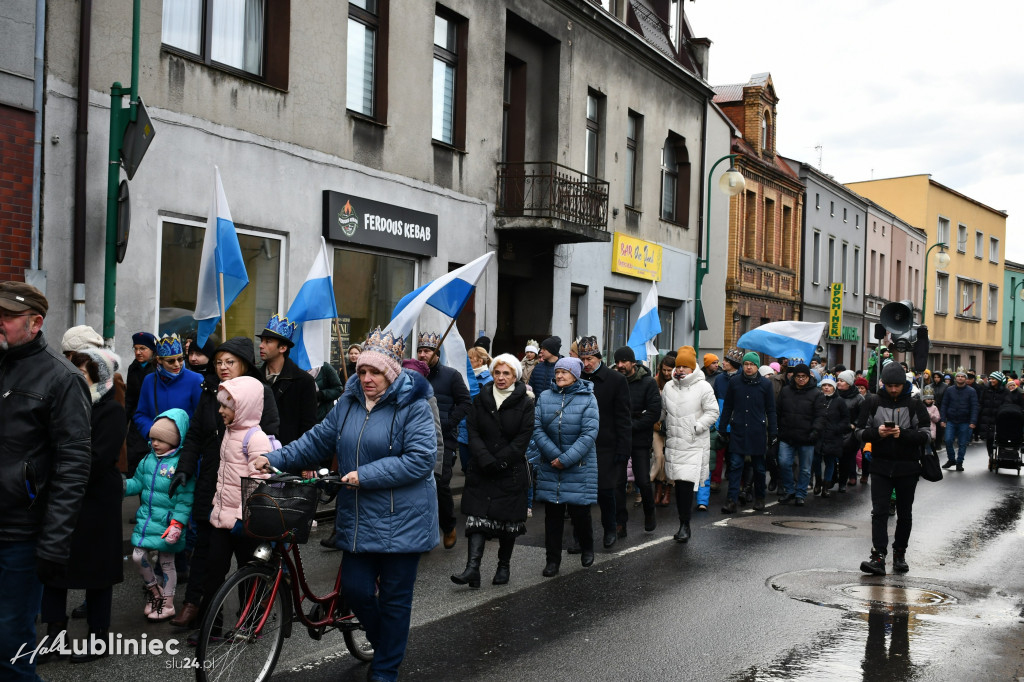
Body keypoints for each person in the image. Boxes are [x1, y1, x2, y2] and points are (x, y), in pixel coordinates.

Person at [255, 328, 438, 682]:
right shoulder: (349, 403)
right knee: (355, 589)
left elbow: (420, 460)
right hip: (360, 517)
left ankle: (384, 671)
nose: (367, 378)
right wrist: (275, 458)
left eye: (376, 372)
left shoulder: (413, 406)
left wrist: (364, 474)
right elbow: (317, 441)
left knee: (395, 600)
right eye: (363, 371)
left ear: (392, 373)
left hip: (404, 518)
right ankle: (385, 643)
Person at [0, 282, 91, 682]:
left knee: (9, 644)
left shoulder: (62, 378)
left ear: (35, 323)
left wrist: (54, 545)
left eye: (5, 317)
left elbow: (73, 467)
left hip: (20, 534)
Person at [167, 337, 280, 630]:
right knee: (207, 556)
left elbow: (266, 443)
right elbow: (194, 435)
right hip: (213, 482)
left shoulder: (260, 393)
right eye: (219, 362)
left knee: (249, 558)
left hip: (246, 489)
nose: (223, 367)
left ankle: (251, 616)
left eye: (230, 362)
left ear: (243, 363)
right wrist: (185, 469)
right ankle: (206, 619)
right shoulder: (209, 390)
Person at [38, 349, 125, 665]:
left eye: (82, 374)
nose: (75, 379)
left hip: (97, 498)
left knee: (97, 570)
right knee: (54, 564)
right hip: (63, 495)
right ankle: (54, 636)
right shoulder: (62, 405)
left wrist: (64, 473)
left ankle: (98, 637)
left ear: (99, 378)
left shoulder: (111, 411)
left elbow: (101, 458)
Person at [193, 376, 273, 637]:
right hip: (221, 517)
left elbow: (259, 481)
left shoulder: (256, 437)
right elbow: (223, 475)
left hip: (244, 521)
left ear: (243, 407)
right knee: (212, 571)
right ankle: (210, 628)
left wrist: (242, 516)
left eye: (227, 407)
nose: (220, 411)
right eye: (221, 406)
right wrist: (216, 508)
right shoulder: (227, 432)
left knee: (247, 573)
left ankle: (250, 623)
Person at [452, 354, 534, 588]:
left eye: (506, 373)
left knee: (507, 523)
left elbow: (523, 438)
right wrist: (485, 459)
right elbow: (473, 430)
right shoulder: (481, 399)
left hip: (510, 470)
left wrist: (502, 461)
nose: (500, 377)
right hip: (482, 468)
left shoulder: (525, 403)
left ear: (515, 376)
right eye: (497, 372)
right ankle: (472, 569)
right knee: (477, 519)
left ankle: (503, 565)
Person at [855, 361, 931, 575]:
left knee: (904, 514)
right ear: (883, 384)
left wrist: (902, 434)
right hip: (880, 466)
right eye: (890, 385)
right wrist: (877, 433)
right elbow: (859, 432)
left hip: (908, 467)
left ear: (903, 384)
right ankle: (878, 556)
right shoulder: (872, 402)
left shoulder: (915, 405)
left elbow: (926, 435)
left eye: (897, 385)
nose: (894, 389)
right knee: (879, 512)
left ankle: (900, 553)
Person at [529, 357, 599, 576]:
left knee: (580, 512)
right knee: (553, 516)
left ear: (576, 375)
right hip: (551, 464)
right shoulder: (545, 397)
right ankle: (552, 561)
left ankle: (587, 547)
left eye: (565, 372)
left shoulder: (588, 399)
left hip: (578, 464)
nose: (559, 375)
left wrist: (566, 459)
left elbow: (589, 434)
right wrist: (554, 456)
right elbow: (537, 427)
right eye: (557, 372)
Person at [124, 409, 195, 622]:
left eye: (161, 439)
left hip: (168, 525)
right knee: (138, 555)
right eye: (153, 438)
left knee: (167, 564)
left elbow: (185, 499)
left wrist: (178, 523)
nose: (155, 443)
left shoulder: (181, 465)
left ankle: (168, 602)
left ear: (175, 440)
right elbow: (137, 482)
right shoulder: (148, 460)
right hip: (147, 521)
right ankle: (155, 592)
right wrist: (122, 486)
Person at [417, 331, 471, 550]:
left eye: (427, 350)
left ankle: (448, 526)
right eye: (420, 350)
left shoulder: (451, 376)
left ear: (436, 353)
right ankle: (423, 532)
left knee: (440, 484)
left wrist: (449, 421)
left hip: (444, 439)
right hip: (417, 439)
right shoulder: (413, 375)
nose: (422, 354)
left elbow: (466, 402)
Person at [578, 336, 632, 547]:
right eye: (582, 360)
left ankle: (611, 528)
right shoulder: (577, 378)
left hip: (606, 445)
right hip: (581, 445)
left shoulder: (616, 380)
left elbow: (623, 418)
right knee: (580, 494)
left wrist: (623, 449)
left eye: (590, 359)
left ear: (598, 357)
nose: (586, 364)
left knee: (606, 491)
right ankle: (580, 536)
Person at [661, 347, 719, 541]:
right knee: (678, 484)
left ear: (693, 368)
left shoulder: (703, 387)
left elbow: (713, 412)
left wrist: (697, 426)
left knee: (685, 485)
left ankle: (685, 525)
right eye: (678, 366)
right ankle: (682, 522)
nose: (681, 370)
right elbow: (662, 410)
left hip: (693, 443)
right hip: (674, 443)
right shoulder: (669, 387)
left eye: (685, 366)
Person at [719, 351, 777, 513]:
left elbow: (771, 410)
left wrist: (773, 432)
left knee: (759, 467)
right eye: (746, 364)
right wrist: (722, 428)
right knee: (736, 465)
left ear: (757, 366)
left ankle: (760, 497)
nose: (748, 367)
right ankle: (731, 500)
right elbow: (728, 407)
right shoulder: (735, 382)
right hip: (738, 430)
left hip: (757, 431)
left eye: (752, 364)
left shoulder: (765, 385)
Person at [613, 346, 660, 532]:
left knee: (642, 480)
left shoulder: (648, 383)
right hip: (618, 440)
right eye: (617, 362)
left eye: (624, 361)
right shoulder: (615, 381)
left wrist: (631, 424)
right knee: (618, 482)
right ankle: (620, 522)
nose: (620, 365)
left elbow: (654, 412)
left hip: (640, 440)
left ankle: (649, 512)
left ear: (633, 362)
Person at [257, 314, 318, 445]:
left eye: (268, 341)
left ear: (283, 348)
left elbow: (308, 425)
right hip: (256, 451)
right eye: (262, 341)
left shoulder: (303, 381)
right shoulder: (254, 377)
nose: (261, 345)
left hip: (289, 454)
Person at [133, 333, 204, 443]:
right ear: (159, 360)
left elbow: (201, 417)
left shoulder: (196, 380)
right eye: (171, 361)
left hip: (186, 447)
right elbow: (140, 415)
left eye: (180, 359)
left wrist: (178, 436)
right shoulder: (149, 380)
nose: (177, 364)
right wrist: (154, 432)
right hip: (157, 447)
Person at [776, 363, 825, 506]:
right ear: (794, 377)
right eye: (798, 376)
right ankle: (789, 490)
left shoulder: (816, 394)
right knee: (784, 463)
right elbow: (778, 411)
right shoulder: (785, 391)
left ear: (808, 377)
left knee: (804, 468)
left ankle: (800, 494)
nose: (801, 379)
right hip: (787, 435)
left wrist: (815, 431)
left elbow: (820, 415)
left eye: (804, 376)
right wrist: (778, 429)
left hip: (807, 437)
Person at [125, 331, 158, 474]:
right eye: (136, 349)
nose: (138, 352)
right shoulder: (133, 368)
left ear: (152, 350)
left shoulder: (158, 369)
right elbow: (130, 398)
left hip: (154, 421)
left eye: (143, 349)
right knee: (134, 461)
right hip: (136, 421)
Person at [814, 376, 850, 498]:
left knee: (830, 462)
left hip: (833, 436)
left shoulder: (839, 401)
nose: (827, 388)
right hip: (818, 435)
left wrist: (837, 428)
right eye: (824, 385)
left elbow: (846, 418)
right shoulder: (817, 399)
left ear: (834, 388)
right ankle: (818, 482)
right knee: (816, 460)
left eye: (829, 386)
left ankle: (826, 486)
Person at [939, 368, 979, 471]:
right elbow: (944, 405)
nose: (960, 378)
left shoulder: (971, 391)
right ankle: (951, 459)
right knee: (948, 440)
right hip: (951, 420)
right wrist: (942, 419)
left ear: (965, 379)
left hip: (965, 421)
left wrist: (973, 421)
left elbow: (975, 407)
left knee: (962, 443)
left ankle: (959, 462)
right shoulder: (949, 390)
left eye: (962, 377)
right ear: (955, 378)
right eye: (958, 376)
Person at [651, 352, 676, 507]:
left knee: (670, 459)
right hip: (656, 426)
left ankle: (667, 490)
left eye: (669, 370)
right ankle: (657, 488)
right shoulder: (654, 382)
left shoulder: (678, 384)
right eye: (664, 370)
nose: (666, 373)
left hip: (673, 428)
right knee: (659, 456)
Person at [836, 370, 865, 492]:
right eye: (838, 380)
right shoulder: (834, 394)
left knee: (846, 459)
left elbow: (863, 415)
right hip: (835, 430)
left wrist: (854, 425)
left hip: (850, 433)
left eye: (842, 381)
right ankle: (831, 479)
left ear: (848, 383)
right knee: (831, 457)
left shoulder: (859, 398)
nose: (839, 383)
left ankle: (843, 482)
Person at [977, 370, 1009, 458]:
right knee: (989, 439)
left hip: (999, 419)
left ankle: (1000, 456)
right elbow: (981, 402)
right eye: (990, 378)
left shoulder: (1005, 392)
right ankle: (991, 457)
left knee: (1000, 438)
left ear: (998, 380)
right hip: (987, 418)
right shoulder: (986, 389)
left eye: (993, 379)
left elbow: (1007, 405)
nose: (991, 380)